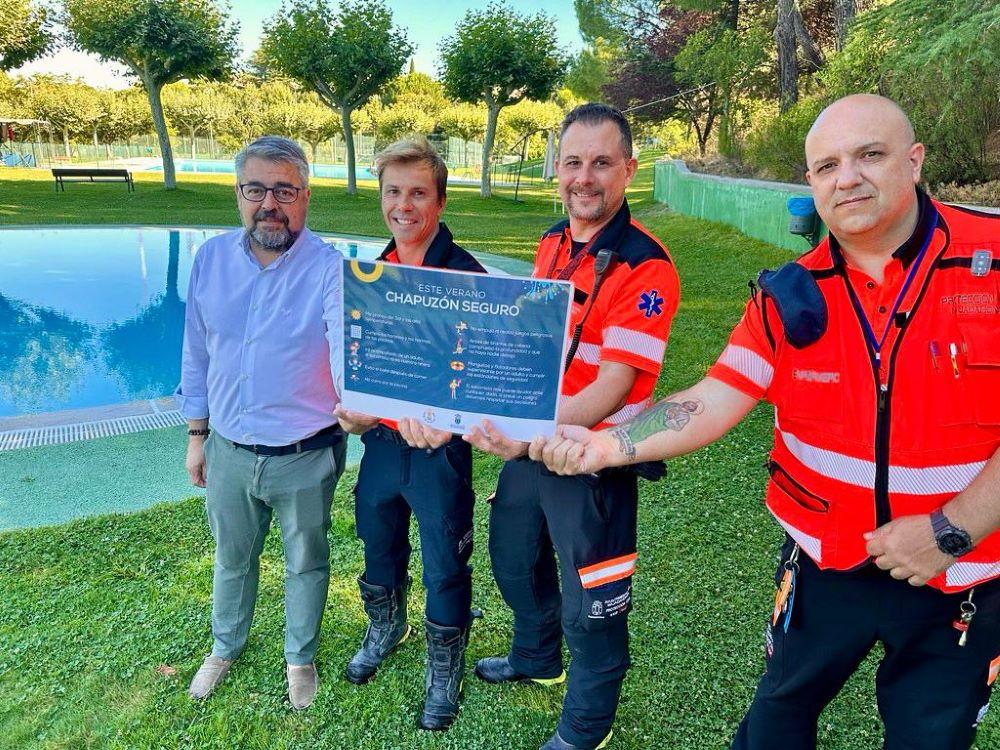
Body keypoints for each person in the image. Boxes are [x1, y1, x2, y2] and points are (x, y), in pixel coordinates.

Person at [531, 94, 1000, 750]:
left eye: (870, 155)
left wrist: (952, 529)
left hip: (965, 573)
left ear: (914, 161)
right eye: (827, 164)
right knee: (777, 720)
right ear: (810, 182)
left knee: (932, 735)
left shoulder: (993, 260)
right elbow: (717, 395)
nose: (848, 177)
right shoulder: (790, 294)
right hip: (823, 562)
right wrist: (612, 443)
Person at [466, 103, 681, 750]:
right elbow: (535, 343)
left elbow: (613, 385)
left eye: (601, 163)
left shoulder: (648, 267)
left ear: (628, 170)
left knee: (595, 604)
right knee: (512, 554)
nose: (584, 178)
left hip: (594, 455)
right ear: (557, 169)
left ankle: (586, 729)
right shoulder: (552, 242)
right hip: (535, 438)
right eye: (573, 162)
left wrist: (526, 428)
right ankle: (537, 657)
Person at [175, 135, 346, 710]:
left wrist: (364, 405)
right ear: (238, 195)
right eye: (256, 190)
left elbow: (347, 351)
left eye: (285, 190)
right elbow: (196, 353)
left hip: (305, 454)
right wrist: (197, 437)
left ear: (305, 197)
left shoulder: (330, 270)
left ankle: (300, 657)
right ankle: (225, 645)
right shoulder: (210, 261)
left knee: (306, 559)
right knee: (232, 557)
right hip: (227, 450)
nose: (269, 204)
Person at [333, 136, 486, 730]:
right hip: (380, 446)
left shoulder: (470, 278)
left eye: (418, 192)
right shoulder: (374, 274)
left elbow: (489, 378)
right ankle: (385, 628)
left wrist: (449, 425)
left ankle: (443, 670)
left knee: (445, 562)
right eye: (393, 192)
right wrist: (352, 408)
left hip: (440, 456)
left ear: (440, 201)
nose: (404, 205)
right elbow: (359, 360)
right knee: (378, 542)